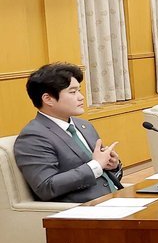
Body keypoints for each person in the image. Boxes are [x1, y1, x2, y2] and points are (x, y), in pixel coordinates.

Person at [14, 63, 123, 203]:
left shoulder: (84, 126)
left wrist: (113, 166)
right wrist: (96, 165)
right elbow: (46, 187)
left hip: (115, 198)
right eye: (72, 92)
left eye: (79, 90)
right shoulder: (33, 137)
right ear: (48, 99)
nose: (81, 97)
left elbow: (105, 178)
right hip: (86, 208)